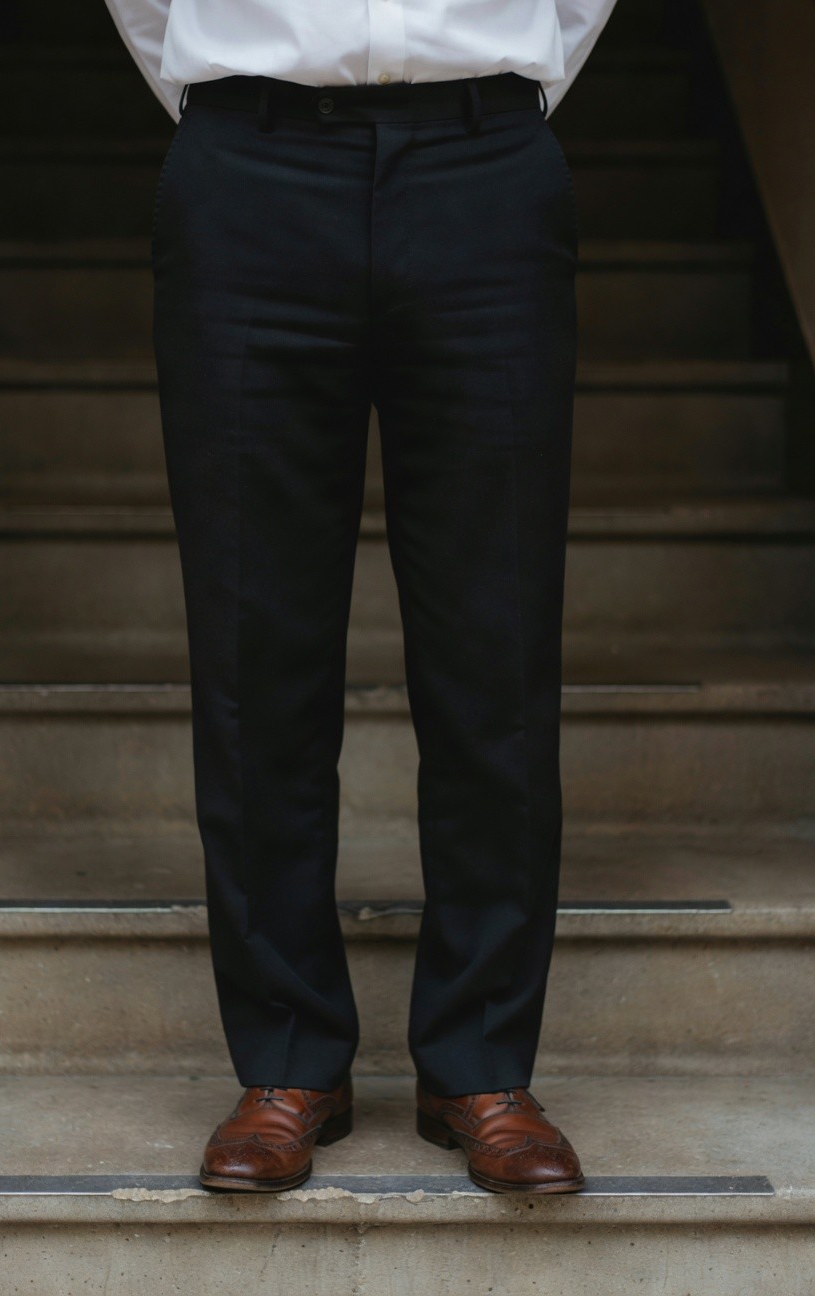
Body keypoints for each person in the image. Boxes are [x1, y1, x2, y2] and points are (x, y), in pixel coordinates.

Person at [104, 0, 617, 1194]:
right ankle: (288, 1061)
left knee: (495, 649)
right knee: (254, 650)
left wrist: (500, 87)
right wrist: (222, 96)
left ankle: (481, 1065)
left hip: (484, 167)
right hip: (247, 168)